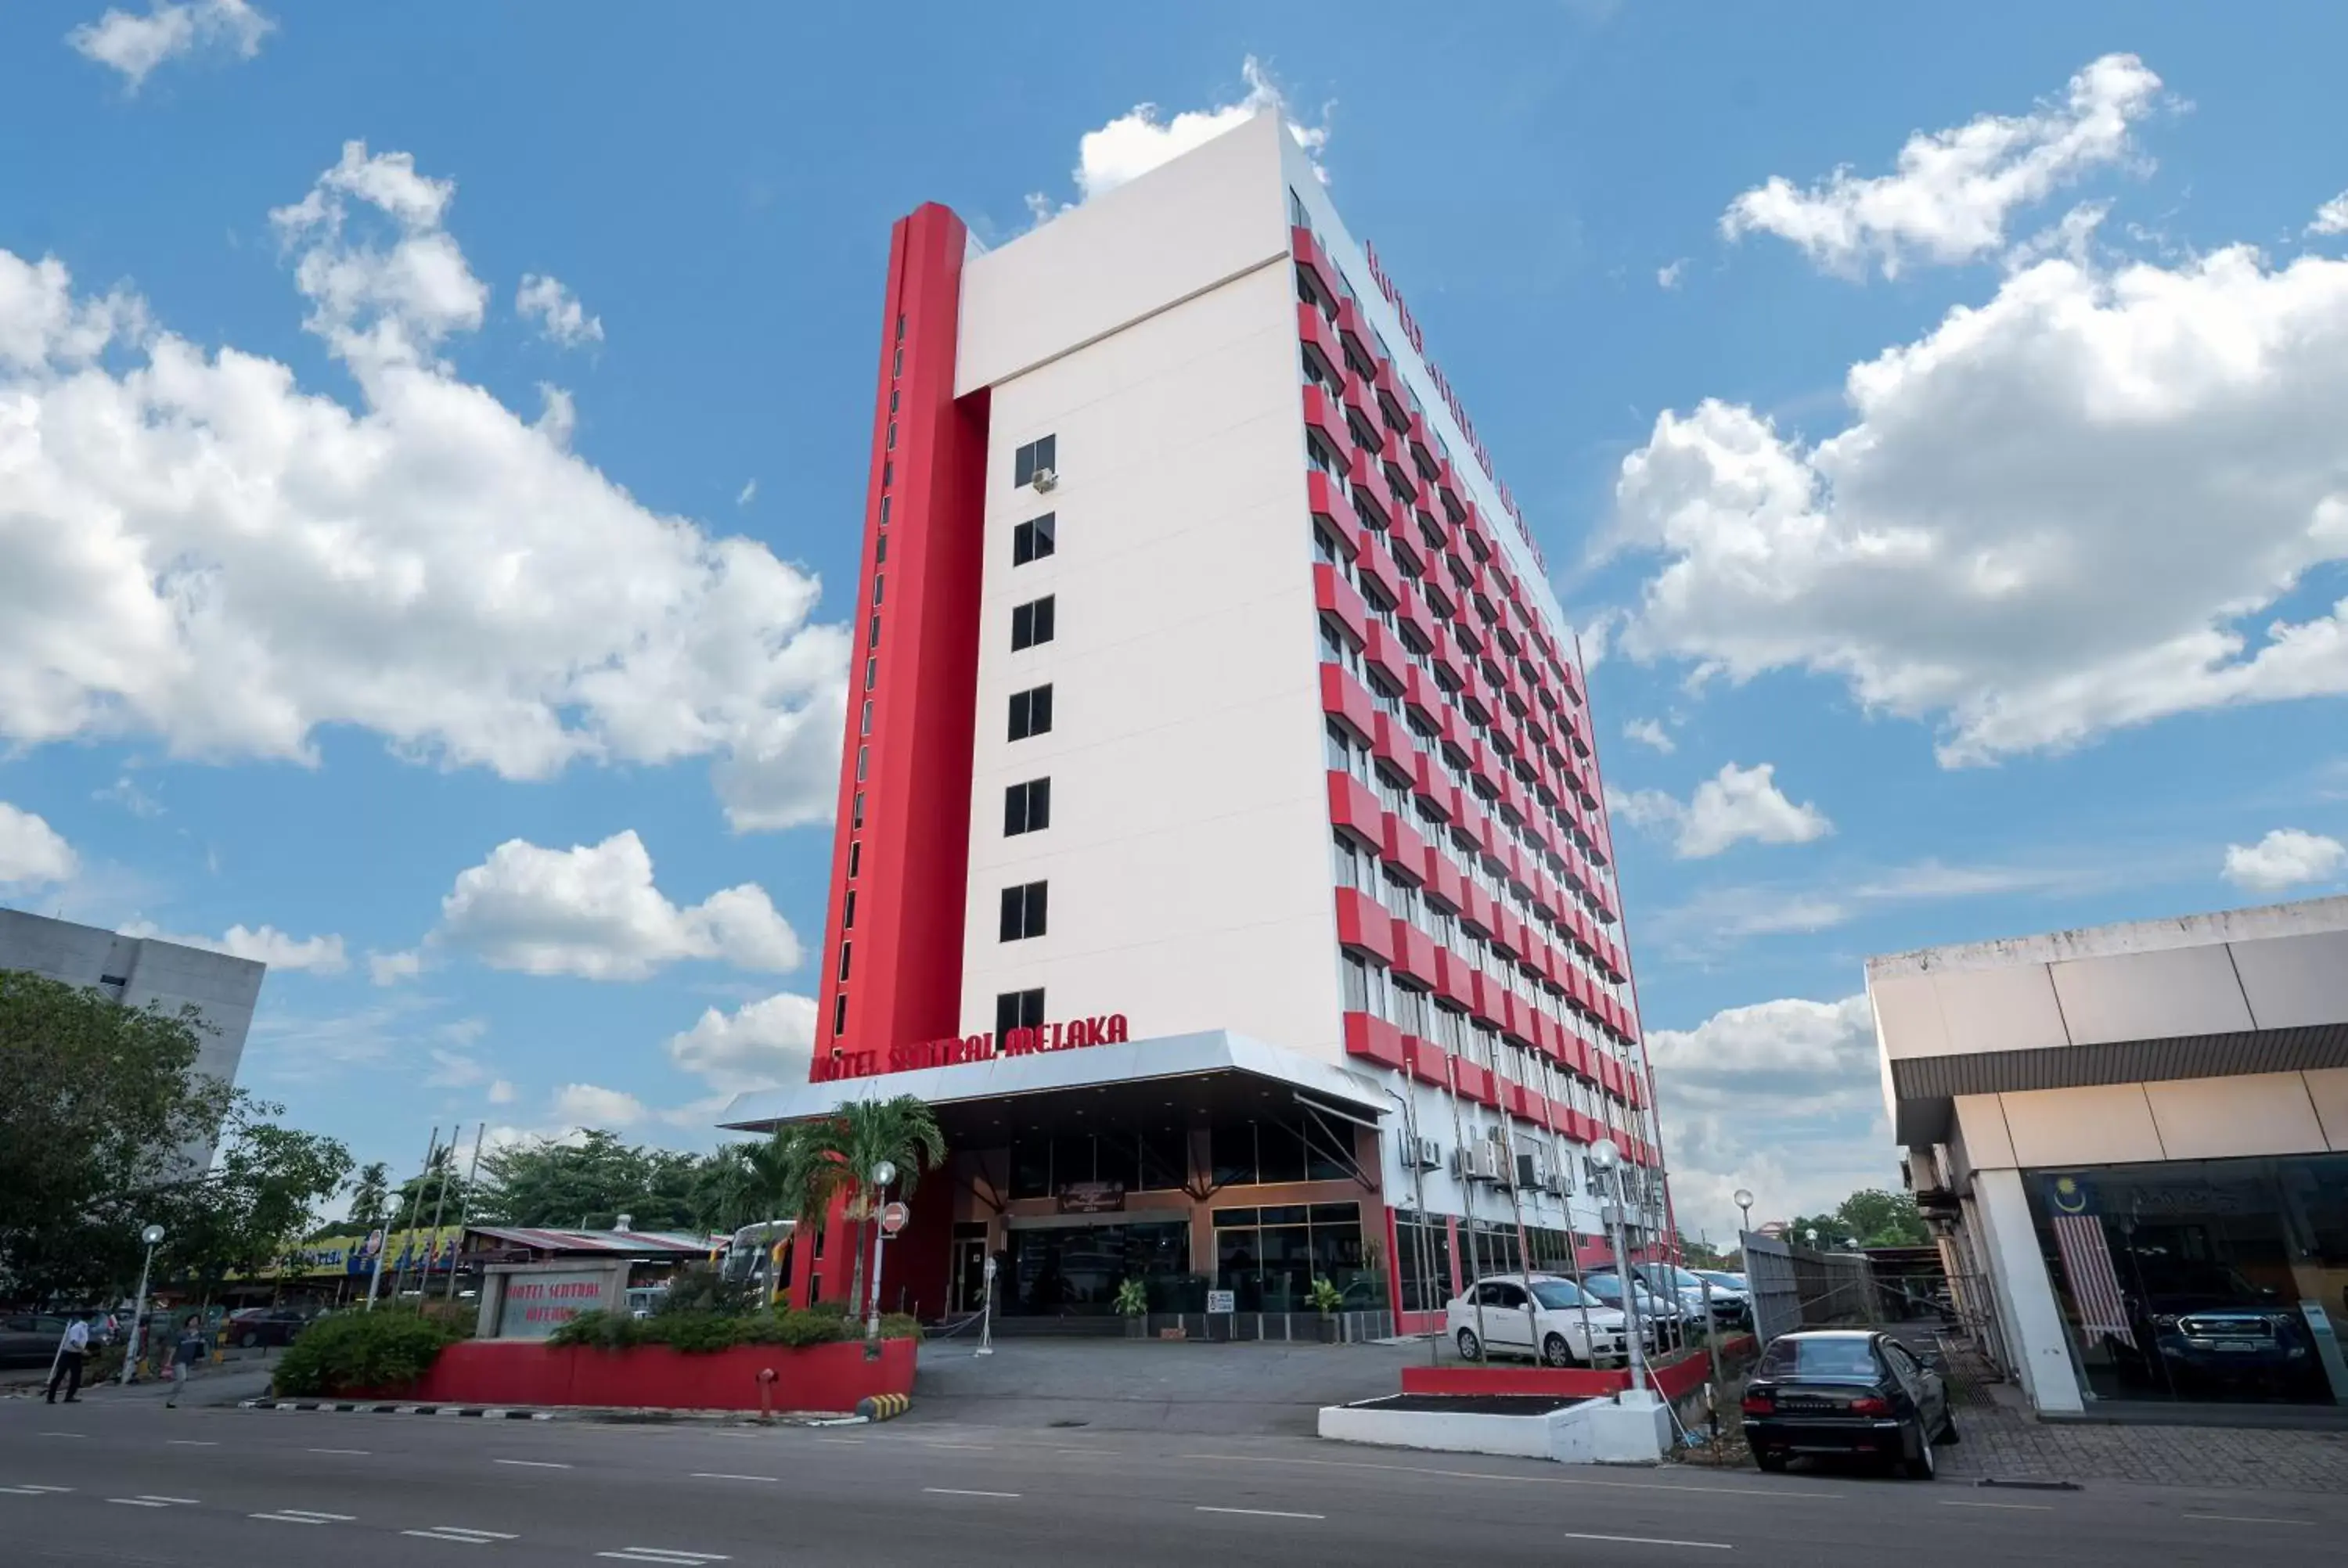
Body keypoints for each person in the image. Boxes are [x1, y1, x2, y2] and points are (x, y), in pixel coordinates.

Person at [46, 1315, 92, 1403]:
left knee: (76, 1376)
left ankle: (70, 1396)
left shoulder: (85, 1328)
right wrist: (83, 1350)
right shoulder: (77, 1328)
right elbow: (74, 1341)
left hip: (76, 1354)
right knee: (60, 1375)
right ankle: (51, 1397)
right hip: (68, 1353)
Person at [164, 1316, 207, 1408]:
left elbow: (200, 1349)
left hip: (189, 1361)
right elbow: (173, 1348)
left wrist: (200, 1360)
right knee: (182, 1378)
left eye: (196, 1320)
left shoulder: (199, 1335)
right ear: (188, 1322)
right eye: (192, 1320)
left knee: (181, 1380)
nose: (193, 1322)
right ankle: (170, 1400)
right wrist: (169, 1361)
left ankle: (172, 1399)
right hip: (179, 1359)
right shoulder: (181, 1334)